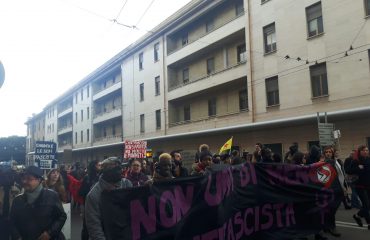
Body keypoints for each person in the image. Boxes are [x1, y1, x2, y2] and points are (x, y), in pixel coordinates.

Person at [10, 166, 67, 240]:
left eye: (29, 179)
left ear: (39, 180)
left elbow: (61, 216)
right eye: (24, 178)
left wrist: (49, 233)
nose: (24, 181)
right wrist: (17, 237)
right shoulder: (17, 200)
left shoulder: (52, 196)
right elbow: (12, 222)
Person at [85, 157, 132, 240]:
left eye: (120, 168)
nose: (121, 171)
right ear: (107, 172)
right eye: (117, 169)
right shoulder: (93, 195)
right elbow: (94, 227)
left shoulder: (127, 184)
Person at [345, 145, 370, 229]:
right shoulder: (356, 161)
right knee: (366, 205)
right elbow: (348, 170)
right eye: (364, 150)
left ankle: (357, 216)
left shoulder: (368, 159)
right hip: (360, 186)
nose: (366, 152)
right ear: (360, 152)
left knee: (367, 206)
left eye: (367, 150)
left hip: (368, 185)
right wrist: (358, 168)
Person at [0, 168, 21, 240]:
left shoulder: (17, 189)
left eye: (9, 176)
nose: (7, 178)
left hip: (14, 219)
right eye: (4, 176)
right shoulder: (1, 189)